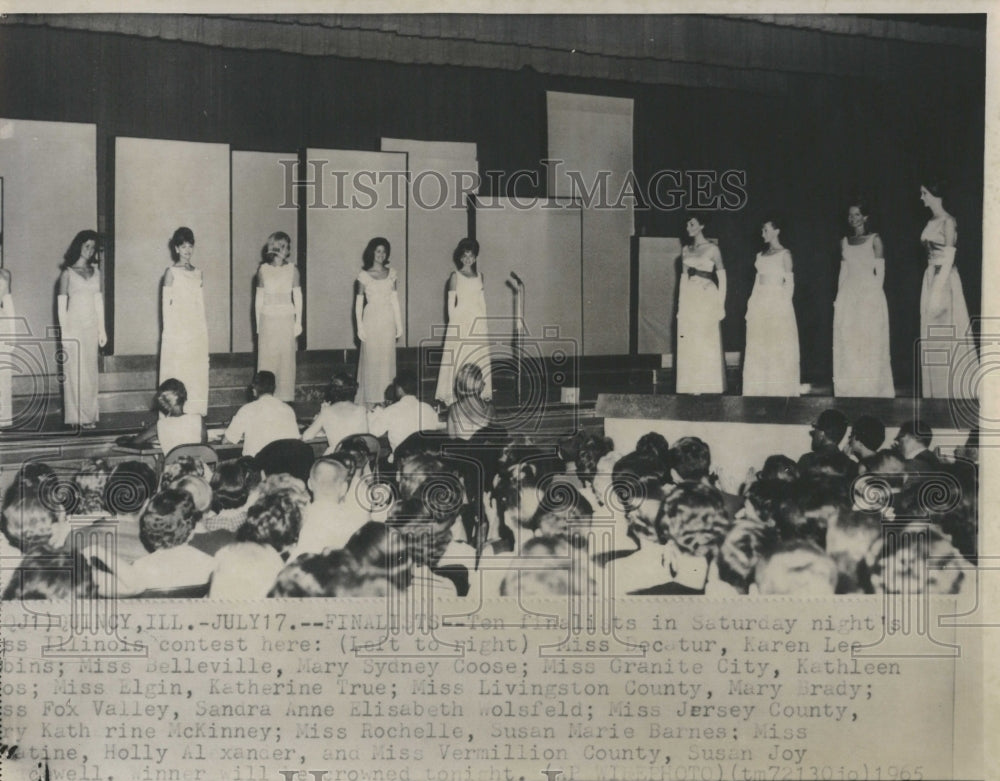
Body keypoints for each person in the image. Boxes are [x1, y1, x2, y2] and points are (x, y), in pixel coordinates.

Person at [918, 180, 979, 399]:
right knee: (931, 335)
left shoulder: (948, 221)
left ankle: (950, 391)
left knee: (944, 332)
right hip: (930, 277)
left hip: (943, 281)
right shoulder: (931, 220)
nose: (922, 197)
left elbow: (949, 256)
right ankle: (936, 392)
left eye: (924, 193)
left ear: (935, 194)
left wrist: (937, 289)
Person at [832, 201, 895, 397]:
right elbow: (843, 273)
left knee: (869, 341)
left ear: (865, 217)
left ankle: (871, 389)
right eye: (850, 215)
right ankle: (850, 389)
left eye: (857, 215)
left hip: (869, 295)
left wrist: (874, 298)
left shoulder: (874, 239)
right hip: (849, 295)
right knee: (849, 340)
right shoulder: (845, 241)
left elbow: (880, 272)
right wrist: (838, 298)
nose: (852, 218)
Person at [742, 217, 800, 396]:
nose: (762, 234)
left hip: (777, 304)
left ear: (777, 231)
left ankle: (779, 390)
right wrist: (751, 304)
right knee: (759, 345)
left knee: (777, 345)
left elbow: (789, 285)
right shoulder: (760, 256)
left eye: (766, 230)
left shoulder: (785, 255)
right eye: (762, 230)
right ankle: (759, 390)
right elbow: (756, 283)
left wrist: (783, 309)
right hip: (760, 303)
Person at [435, 238, 492, 405]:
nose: (468, 259)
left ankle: (477, 392)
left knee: (476, 354)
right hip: (460, 320)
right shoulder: (455, 276)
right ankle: (455, 393)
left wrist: (484, 323)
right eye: (465, 256)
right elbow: (450, 305)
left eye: (471, 256)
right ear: (460, 257)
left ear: (475, 258)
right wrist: (454, 326)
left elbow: (482, 303)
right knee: (461, 355)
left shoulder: (481, 276)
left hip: (477, 321)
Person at [58, 229, 106, 428]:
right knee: (74, 371)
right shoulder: (67, 274)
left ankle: (89, 415)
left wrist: (102, 330)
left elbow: (99, 302)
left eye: (93, 247)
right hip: (73, 327)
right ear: (79, 246)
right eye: (87, 246)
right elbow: (61, 307)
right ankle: (76, 417)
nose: (90, 250)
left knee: (90, 372)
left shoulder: (96, 273)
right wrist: (64, 333)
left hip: (91, 327)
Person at [160, 227, 209, 416]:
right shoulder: (171, 272)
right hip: (178, 330)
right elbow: (166, 307)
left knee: (196, 371)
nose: (187, 250)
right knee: (179, 369)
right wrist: (170, 334)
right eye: (183, 246)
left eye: (190, 246)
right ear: (176, 248)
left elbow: (200, 305)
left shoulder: (198, 273)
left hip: (196, 329)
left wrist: (203, 332)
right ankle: (174, 412)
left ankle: (194, 412)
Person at [676, 215, 726, 394]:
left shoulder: (713, 249)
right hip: (690, 298)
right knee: (690, 340)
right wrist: (680, 307)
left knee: (705, 340)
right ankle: (691, 386)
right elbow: (683, 279)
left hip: (706, 298)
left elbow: (722, 277)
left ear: (702, 226)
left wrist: (721, 305)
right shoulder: (685, 250)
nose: (688, 226)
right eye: (687, 223)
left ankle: (708, 385)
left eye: (692, 223)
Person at [354, 237, 402, 406]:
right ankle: (372, 401)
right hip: (371, 320)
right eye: (378, 251)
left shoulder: (392, 274)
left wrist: (399, 324)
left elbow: (395, 300)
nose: (381, 254)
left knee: (387, 360)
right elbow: (359, 302)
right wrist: (360, 327)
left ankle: (386, 399)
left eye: (384, 251)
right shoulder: (364, 276)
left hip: (388, 319)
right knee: (372, 360)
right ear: (372, 252)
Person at [223, 371, 300, 457]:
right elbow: (296, 440)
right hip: (283, 466)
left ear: (254, 390)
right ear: (274, 388)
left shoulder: (247, 410)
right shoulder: (288, 410)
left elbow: (227, 441)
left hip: (257, 466)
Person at [119, 378, 204, 455]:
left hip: (173, 471)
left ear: (163, 402)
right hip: (200, 470)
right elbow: (203, 447)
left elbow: (135, 442)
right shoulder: (199, 419)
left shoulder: (161, 424)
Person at [368, 371, 443, 455]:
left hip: (402, 461)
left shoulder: (391, 410)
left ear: (399, 389)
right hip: (426, 461)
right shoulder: (428, 408)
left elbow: (373, 432)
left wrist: (377, 411)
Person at [301, 372, 368, 455]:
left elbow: (306, 436)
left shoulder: (327, 411)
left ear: (332, 391)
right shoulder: (361, 410)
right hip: (358, 460)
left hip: (337, 460)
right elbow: (365, 437)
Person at [0, 267, 15, 428]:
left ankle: (3, 418)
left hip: (1, 325)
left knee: (3, 373)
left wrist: (13, 335)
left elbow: (9, 306)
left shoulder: (5, 274)